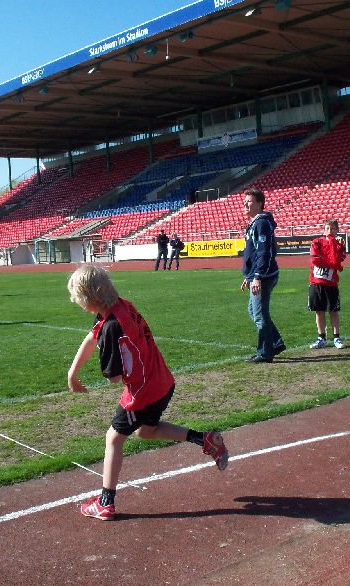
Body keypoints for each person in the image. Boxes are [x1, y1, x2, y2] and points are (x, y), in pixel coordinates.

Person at [66, 264, 229, 520]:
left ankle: (106, 502)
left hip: (143, 392)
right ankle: (204, 439)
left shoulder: (111, 327)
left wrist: (107, 354)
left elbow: (114, 378)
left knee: (113, 438)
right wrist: (72, 373)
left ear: (88, 298)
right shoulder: (121, 305)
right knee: (145, 431)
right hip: (162, 381)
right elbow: (91, 337)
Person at [241, 188, 285, 363]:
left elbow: (264, 252)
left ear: (259, 204)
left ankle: (265, 352)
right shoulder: (255, 224)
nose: (245, 204)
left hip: (264, 276)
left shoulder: (261, 224)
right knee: (254, 311)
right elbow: (253, 254)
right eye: (245, 201)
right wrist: (249, 276)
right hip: (257, 275)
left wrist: (257, 276)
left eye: (249, 201)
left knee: (259, 314)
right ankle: (275, 343)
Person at [308, 219, 346, 350]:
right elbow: (315, 260)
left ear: (337, 230)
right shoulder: (316, 242)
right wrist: (333, 264)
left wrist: (332, 244)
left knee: (333, 311)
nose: (330, 231)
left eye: (333, 228)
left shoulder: (339, 245)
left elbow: (338, 259)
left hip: (331, 283)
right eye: (327, 228)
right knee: (319, 311)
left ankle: (336, 337)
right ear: (323, 230)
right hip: (316, 282)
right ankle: (321, 337)